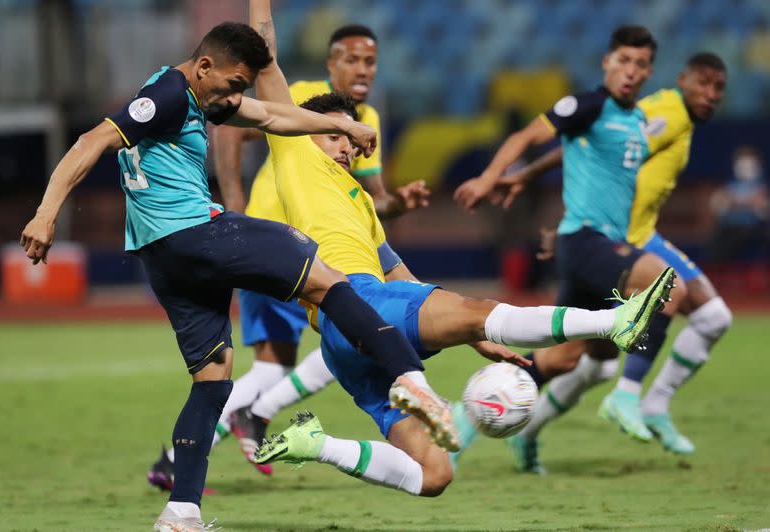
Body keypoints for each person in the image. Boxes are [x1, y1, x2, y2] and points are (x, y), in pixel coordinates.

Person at [18, 22, 445, 532]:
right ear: (204, 67)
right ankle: (411, 381)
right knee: (326, 278)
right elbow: (92, 140)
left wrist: (346, 129)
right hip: (194, 233)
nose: (236, 95)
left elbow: (270, 115)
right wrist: (46, 214)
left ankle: (181, 512)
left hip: (161, 257)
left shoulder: (201, 95)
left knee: (213, 380)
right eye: (233, 82)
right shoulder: (170, 93)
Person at [247, 1, 673, 498]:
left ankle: (316, 444)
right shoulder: (295, 152)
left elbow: (401, 275)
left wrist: (471, 336)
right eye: (338, 134)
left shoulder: (360, 201)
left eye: (350, 137)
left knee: (435, 475)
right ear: (307, 130)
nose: (348, 146)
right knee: (482, 308)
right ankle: (612, 322)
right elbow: (267, 58)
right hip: (354, 299)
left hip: (348, 337)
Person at [460, 53, 730, 472]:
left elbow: (587, 146)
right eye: (705, 84)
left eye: (719, 88)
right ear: (682, 80)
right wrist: (553, 205)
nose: (712, 95)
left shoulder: (671, 119)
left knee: (582, 362)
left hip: (618, 238)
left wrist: (532, 179)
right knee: (692, 303)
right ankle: (640, 398)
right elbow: (593, 146)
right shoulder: (661, 114)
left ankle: (506, 426)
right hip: (618, 241)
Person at [205, 23, 430, 477]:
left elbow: (371, 199)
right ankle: (206, 441)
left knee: (344, 339)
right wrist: (233, 206)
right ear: (331, 64)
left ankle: (212, 439)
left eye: (369, 61)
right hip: (276, 245)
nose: (362, 68)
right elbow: (231, 130)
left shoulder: (368, 121)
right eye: (351, 59)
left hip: (321, 255)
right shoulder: (305, 92)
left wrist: (399, 203)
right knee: (333, 341)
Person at [708, 145, 769, 261]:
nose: (746, 167)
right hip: (730, 229)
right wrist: (743, 203)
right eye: (742, 162)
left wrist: (744, 203)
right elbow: (719, 207)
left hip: (755, 229)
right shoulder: (729, 187)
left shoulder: (762, 187)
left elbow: (763, 210)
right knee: (717, 246)